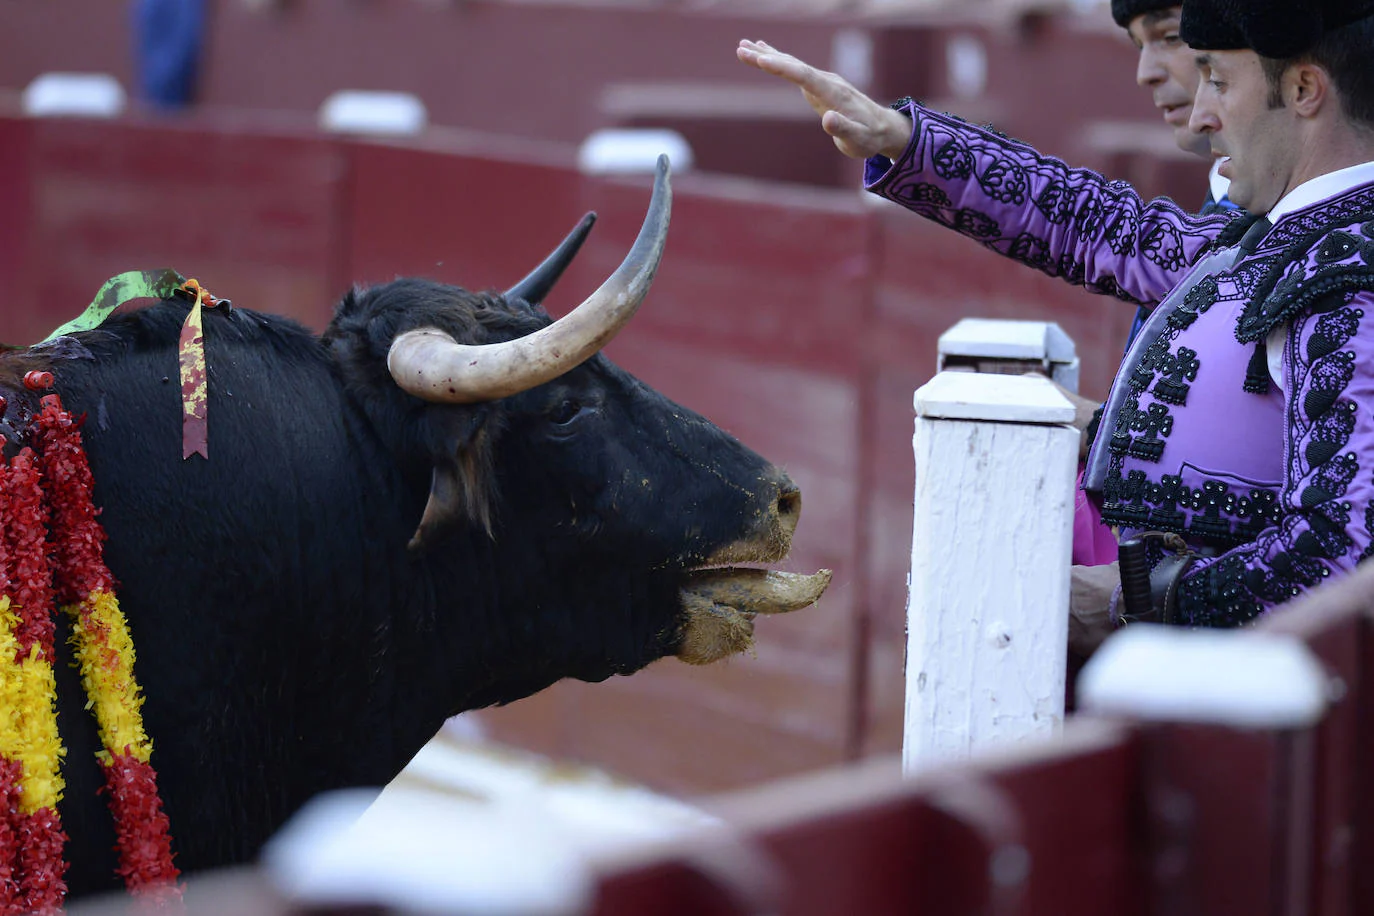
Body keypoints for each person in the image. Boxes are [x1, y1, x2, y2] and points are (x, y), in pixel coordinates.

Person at [737, 0, 1374, 653]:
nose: (1203, 111)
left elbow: (1339, 549)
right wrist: (904, 139)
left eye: (1218, 79)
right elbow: (1100, 225)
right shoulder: (1278, 236)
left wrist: (1129, 602)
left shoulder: (1345, 265)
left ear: (1302, 89)